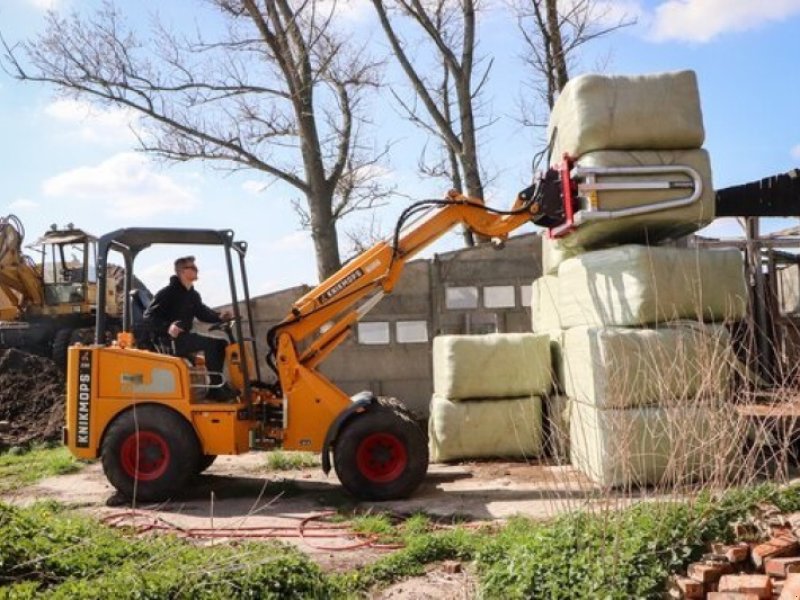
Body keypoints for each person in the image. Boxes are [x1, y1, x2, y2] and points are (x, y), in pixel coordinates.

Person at [143, 255, 238, 401]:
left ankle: (217, 384)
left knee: (220, 343)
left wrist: (221, 317)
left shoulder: (192, 294)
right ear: (182, 271)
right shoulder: (168, 293)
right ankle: (215, 389)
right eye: (192, 267)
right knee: (212, 344)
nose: (197, 270)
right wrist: (168, 327)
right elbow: (149, 317)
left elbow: (202, 313)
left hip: (184, 338)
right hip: (168, 341)